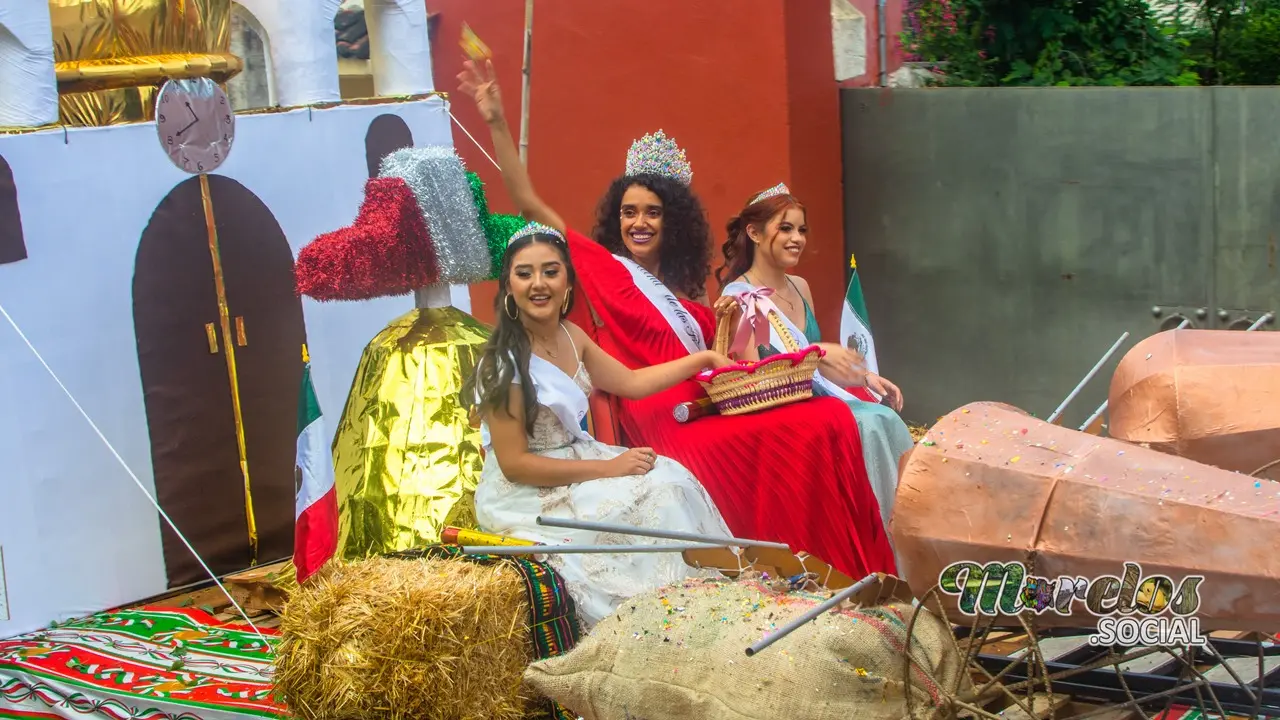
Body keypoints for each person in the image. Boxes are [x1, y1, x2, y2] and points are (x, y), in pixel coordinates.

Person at [457, 59, 897, 580]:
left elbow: (727, 361)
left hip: (707, 402)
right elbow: (529, 202)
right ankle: (805, 573)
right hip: (664, 418)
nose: (638, 223)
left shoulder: (685, 290)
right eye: (628, 212)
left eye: (652, 212)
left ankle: (842, 569)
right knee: (808, 430)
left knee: (825, 420)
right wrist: (497, 121)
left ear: (674, 221)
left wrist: (728, 336)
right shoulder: (600, 269)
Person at [462, 221, 734, 629]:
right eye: (525, 273)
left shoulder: (572, 335)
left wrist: (704, 360)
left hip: (578, 459)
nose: (539, 284)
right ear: (509, 288)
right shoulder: (503, 362)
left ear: (568, 282)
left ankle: (695, 610)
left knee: (668, 482)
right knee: (622, 518)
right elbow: (516, 464)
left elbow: (632, 382)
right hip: (527, 493)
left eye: (551, 271)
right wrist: (609, 468)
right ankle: (648, 626)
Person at [716, 183, 916, 527]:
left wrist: (864, 377)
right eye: (786, 228)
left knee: (885, 418)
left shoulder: (800, 286)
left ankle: (902, 526)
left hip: (815, 398)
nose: (797, 238)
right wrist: (819, 351)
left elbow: (819, 369)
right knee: (869, 423)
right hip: (779, 409)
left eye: (801, 229)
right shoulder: (743, 298)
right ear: (754, 233)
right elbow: (753, 373)